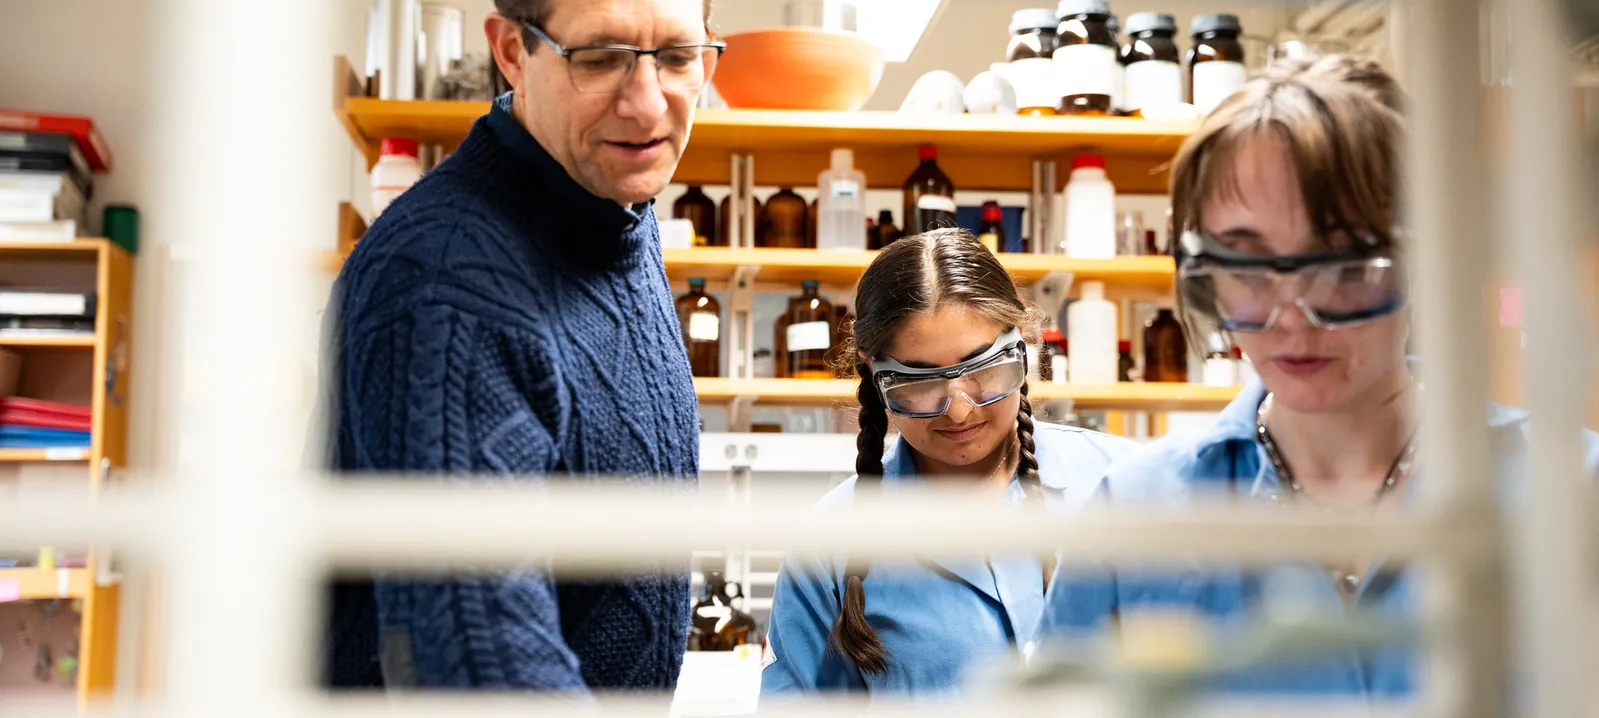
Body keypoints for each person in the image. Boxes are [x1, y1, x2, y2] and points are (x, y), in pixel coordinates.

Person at [1038, 55, 1599, 697]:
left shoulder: (1568, 489)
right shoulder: (1135, 515)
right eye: (1246, 265)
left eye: (1345, 264)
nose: (1291, 320)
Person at [321, 0, 724, 691]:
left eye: (679, 57)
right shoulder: (446, 278)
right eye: (600, 59)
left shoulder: (614, 214)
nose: (647, 104)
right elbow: (478, 658)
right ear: (511, 51)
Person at [760, 229, 1137, 695]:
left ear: (1022, 344)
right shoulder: (828, 544)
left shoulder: (1127, 487)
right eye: (918, 383)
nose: (959, 410)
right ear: (874, 378)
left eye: (984, 369)